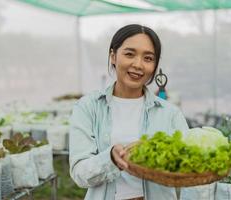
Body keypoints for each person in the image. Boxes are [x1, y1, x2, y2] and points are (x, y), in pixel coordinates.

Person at [69, 24, 189, 200]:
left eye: (148, 58)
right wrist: (110, 158)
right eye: (129, 54)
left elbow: (187, 164)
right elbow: (79, 172)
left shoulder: (170, 113)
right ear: (113, 56)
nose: (138, 65)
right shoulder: (88, 107)